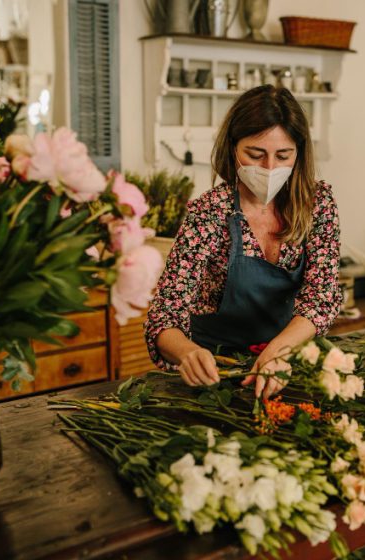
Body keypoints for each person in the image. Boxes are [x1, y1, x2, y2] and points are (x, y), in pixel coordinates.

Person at [144, 85, 342, 398]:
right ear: (233, 147)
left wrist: (280, 350)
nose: (269, 168)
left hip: (286, 367)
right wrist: (186, 353)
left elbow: (323, 296)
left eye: (283, 155)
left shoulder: (317, 204)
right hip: (216, 374)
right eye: (256, 154)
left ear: (299, 154)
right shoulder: (209, 213)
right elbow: (164, 314)